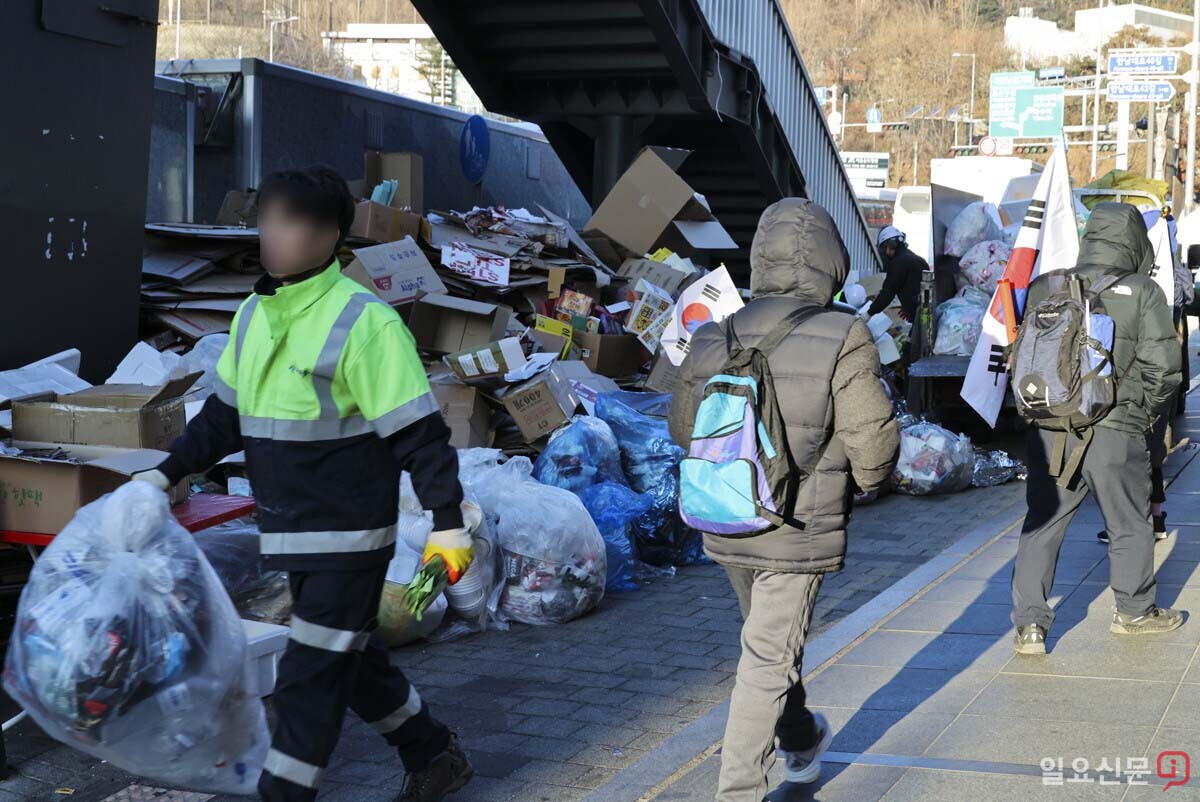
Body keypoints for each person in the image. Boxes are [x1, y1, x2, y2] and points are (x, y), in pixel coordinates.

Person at [133, 165, 475, 802]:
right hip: (291, 534)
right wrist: (164, 472)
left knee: (306, 680)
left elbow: (419, 436)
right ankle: (432, 752)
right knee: (348, 658)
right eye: (266, 218)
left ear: (327, 236)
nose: (271, 234)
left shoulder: (365, 324)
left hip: (350, 539)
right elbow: (224, 418)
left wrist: (448, 520)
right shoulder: (256, 315)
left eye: (288, 221)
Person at [669, 198, 899, 801]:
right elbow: (871, 441)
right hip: (796, 528)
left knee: (768, 640)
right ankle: (738, 791)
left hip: (725, 516)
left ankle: (797, 737)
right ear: (830, 260)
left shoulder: (715, 331)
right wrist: (872, 482)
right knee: (768, 656)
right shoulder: (844, 332)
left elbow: (681, 428)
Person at [1012, 202, 1184, 656]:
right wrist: (1143, 418)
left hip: (1050, 427)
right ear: (1133, 242)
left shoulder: (1047, 285)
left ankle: (1029, 627)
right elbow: (1165, 369)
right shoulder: (1142, 290)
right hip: (1116, 428)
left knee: (1042, 523)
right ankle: (1134, 612)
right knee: (1129, 521)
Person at [1098, 208, 1193, 544]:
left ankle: (1134, 520)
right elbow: (1185, 296)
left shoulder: (1098, 275)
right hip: (1144, 373)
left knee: (1135, 453)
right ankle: (1150, 518)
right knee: (1147, 449)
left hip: (1116, 380)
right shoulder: (1153, 274)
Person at [867, 225, 926, 323]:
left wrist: (869, 313)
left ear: (891, 245)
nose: (885, 253)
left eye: (884, 249)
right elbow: (915, 288)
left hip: (919, 317)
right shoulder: (918, 260)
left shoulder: (898, 263)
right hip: (924, 314)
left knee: (915, 338)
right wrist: (908, 306)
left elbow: (888, 293)